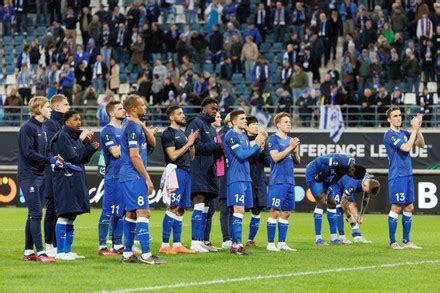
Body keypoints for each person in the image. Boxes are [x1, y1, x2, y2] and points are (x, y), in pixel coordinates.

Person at [119, 95, 165, 264]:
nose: (145, 107)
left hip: (130, 175)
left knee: (131, 213)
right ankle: (146, 255)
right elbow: (134, 156)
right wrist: (147, 178)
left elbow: (152, 142)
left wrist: (143, 126)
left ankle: (127, 254)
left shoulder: (135, 125)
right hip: (133, 175)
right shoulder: (132, 127)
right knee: (143, 212)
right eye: (142, 105)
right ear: (133, 109)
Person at [19, 96, 62, 263]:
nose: (50, 109)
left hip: (40, 175)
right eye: (47, 106)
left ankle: (29, 251)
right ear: (38, 109)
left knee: (33, 214)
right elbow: (29, 153)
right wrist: (49, 160)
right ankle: (41, 252)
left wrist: (54, 158)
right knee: (36, 214)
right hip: (28, 175)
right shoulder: (27, 128)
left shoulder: (43, 128)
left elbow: (45, 152)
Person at [51, 110, 99, 260]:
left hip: (76, 178)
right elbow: (73, 156)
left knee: (72, 215)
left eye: (80, 119)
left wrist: (89, 149)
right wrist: (89, 148)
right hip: (65, 178)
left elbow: (82, 159)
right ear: (66, 121)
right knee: (64, 213)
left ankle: (68, 250)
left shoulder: (75, 136)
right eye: (75, 119)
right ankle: (60, 252)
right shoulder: (62, 137)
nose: (79, 122)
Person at [224, 110, 267, 255]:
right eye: (242, 119)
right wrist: (256, 144)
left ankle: (237, 244)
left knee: (241, 211)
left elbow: (251, 156)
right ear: (234, 121)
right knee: (238, 210)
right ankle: (236, 244)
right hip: (236, 177)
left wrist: (259, 145)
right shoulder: (231, 136)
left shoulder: (243, 136)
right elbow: (242, 155)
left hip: (246, 177)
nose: (245, 121)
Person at [159, 106, 199, 255]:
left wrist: (192, 142)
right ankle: (164, 244)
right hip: (175, 171)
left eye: (183, 113)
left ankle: (177, 244)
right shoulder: (167, 134)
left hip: (186, 172)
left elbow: (192, 156)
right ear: (171, 117)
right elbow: (173, 156)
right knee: (173, 206)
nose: (183, 116)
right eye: (179, 113)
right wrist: (188, 143)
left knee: (182, 209)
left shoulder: (182, 133)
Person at [384, 106, 425, 249]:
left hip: (407, 174)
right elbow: (406, 148)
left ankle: (407, 241)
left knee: (409, 206)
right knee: (396, 207)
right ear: (389, 119)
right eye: (395, 116)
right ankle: (392, 242)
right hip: (397, 175)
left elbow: (421, 144)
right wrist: (414, 130)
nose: (398, 118)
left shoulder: (404, 132)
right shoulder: (389, 135)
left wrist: (418, 128)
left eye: (400, 115)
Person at [185, 97, 223, 253]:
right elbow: (194, 145)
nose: (216, 111)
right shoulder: (196, 123)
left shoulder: (211, 128)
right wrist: (217, 146)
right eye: (213, 108)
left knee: (206, 206)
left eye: (217, 109)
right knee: (199, 202)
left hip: (209, 170)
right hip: (198, 169)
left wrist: (219, 149)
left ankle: (201, 241)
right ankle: (194, 241)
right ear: (204, 108)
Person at [305, 154, 366, 245]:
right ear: (353, 169)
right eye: (351, 175)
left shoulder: (349, 167)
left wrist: (327, 188)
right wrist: (318, 175)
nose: (350, 176)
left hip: (326, 177)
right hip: (314, 173)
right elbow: (319, 160)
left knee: (332, 203)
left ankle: (334, 239)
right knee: (321, 201)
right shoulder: (340, 162)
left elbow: (336, 178)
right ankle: (318, 239)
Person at [265, 113, 300, 252]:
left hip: (290, 181)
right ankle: (270, 244)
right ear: (278, 124)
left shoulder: (291, 140)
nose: (289, 124)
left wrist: (295, 151)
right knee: (274, 211)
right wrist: (290, 148)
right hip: (277, 181)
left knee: (286, 213)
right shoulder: (272, 139)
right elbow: (275, 157)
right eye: (285, 122)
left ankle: (282, 243)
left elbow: (297, 161)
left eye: (289, 122)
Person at [43, 95, 71, 257]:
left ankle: (57, 244)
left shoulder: (60, 124)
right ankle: (49, 245)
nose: (68, 106)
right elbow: (52, 149)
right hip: (52, 174)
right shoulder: (51, 125)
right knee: (52, 210)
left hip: (60, 174)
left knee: (59, 210)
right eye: (65, 104)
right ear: (56, 107)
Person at [98, 101, 126, 256]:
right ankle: (102, 246)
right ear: (111, 113)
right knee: (108, 211)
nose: (123, 110)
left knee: (120, 212)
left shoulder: (125, 129)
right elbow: (115, 152)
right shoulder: (107, 131)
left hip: (125, 175)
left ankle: (117, 244)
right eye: (119, 108)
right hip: (113, 175)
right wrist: (130, 143)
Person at [328, 174, 380, 244]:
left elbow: (366, 198)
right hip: (336, 183)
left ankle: (357, 236)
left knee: (353, 207)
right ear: (365, 186)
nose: (367, 193)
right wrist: (349, 217)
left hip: (346, 184)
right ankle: (342, 237)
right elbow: (343, 202)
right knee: (339, 207)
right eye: (367, 191)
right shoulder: (352, 185)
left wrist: (361, 215)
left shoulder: (369, 181)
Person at [244, 116, 269, 247]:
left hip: (259, 180)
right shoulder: (242, 140)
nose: (256, 126)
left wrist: (262, 148)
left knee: (257, 210)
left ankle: (250, 239)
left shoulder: (262, 140)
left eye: (257, 124)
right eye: (253, 124)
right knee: (239, 210)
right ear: (246, 126)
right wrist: (257, 146)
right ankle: (231, 239)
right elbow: (248, 159)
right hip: (246, 180)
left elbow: (268, 161)